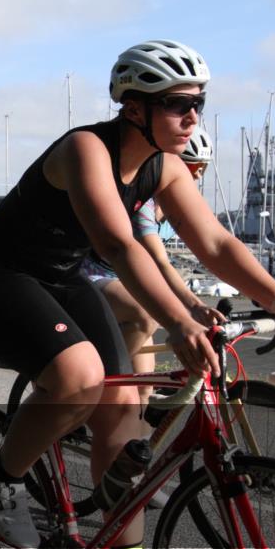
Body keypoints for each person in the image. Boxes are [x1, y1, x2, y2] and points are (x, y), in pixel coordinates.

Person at [0, 39, 275, 549]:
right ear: (134, 107)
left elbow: (217, 245)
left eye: (199, 102)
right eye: (178, 104)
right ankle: (2, 478)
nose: (192, 116)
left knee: (124, 410)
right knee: (79, 378)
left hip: (61, 279)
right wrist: (179, 324)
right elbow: (116, 244)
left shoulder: (167, 166)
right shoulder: (86, 149)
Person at [80, 128, 223, 404]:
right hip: (95, 273)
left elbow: (212, 247)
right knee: (144, 317)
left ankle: (131, 437)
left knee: (144, 390)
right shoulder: (145, 205)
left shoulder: (174, 206)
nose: (197, 174)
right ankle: (87, 390)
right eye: (192, 165)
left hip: (128, 278)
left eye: (203, 167)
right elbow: (159, 261)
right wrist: (193, 305)